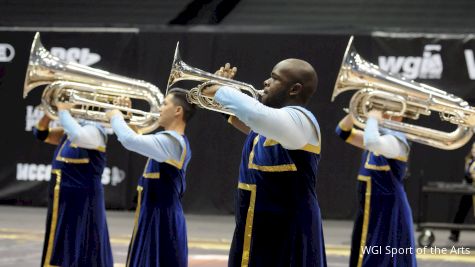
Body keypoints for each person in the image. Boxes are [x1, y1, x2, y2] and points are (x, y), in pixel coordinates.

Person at [203, 60, 326, 267]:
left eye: (275, 78)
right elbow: (247, 119)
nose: (266, 82)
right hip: (254, 231)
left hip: (287, 236)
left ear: (294, 89)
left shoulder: (303, 120)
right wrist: (219, 93)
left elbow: (255, 115)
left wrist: (220, 89)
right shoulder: (269, 127)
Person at [105, 89, 196, 267]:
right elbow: (138, 140)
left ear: (178, 111)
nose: (160, 108)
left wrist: (115, 116)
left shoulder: (172, 142)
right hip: (153, 218)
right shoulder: (168, 141)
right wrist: (127, 118)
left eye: (164, 104)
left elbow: (129, 140)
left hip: (162, 222)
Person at [32, 103, 113, 267]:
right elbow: (40, 133)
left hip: (82, 203)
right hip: (63, 202)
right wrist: (49, 112)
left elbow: (79, 135)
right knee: (61, 247)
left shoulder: (94, 131)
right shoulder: (70, 131)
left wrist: (62, 110)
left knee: (82, 247)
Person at [335, 110, 416, 267]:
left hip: (388, 209)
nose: (381, 111)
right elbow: (342, 131)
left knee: (381, 257)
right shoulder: (377, 136)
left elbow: (373, 142)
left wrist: (372, 118)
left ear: (398, 114)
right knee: (364, 253)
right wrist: (356, 110)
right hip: (371, 209)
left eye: (385, 108)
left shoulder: (396, 141)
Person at [448, 142, 475, 243]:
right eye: (473, 148)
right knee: (461, 212)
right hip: (468, 189)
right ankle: (454, 233)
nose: (473, 150)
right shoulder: (468, 160)